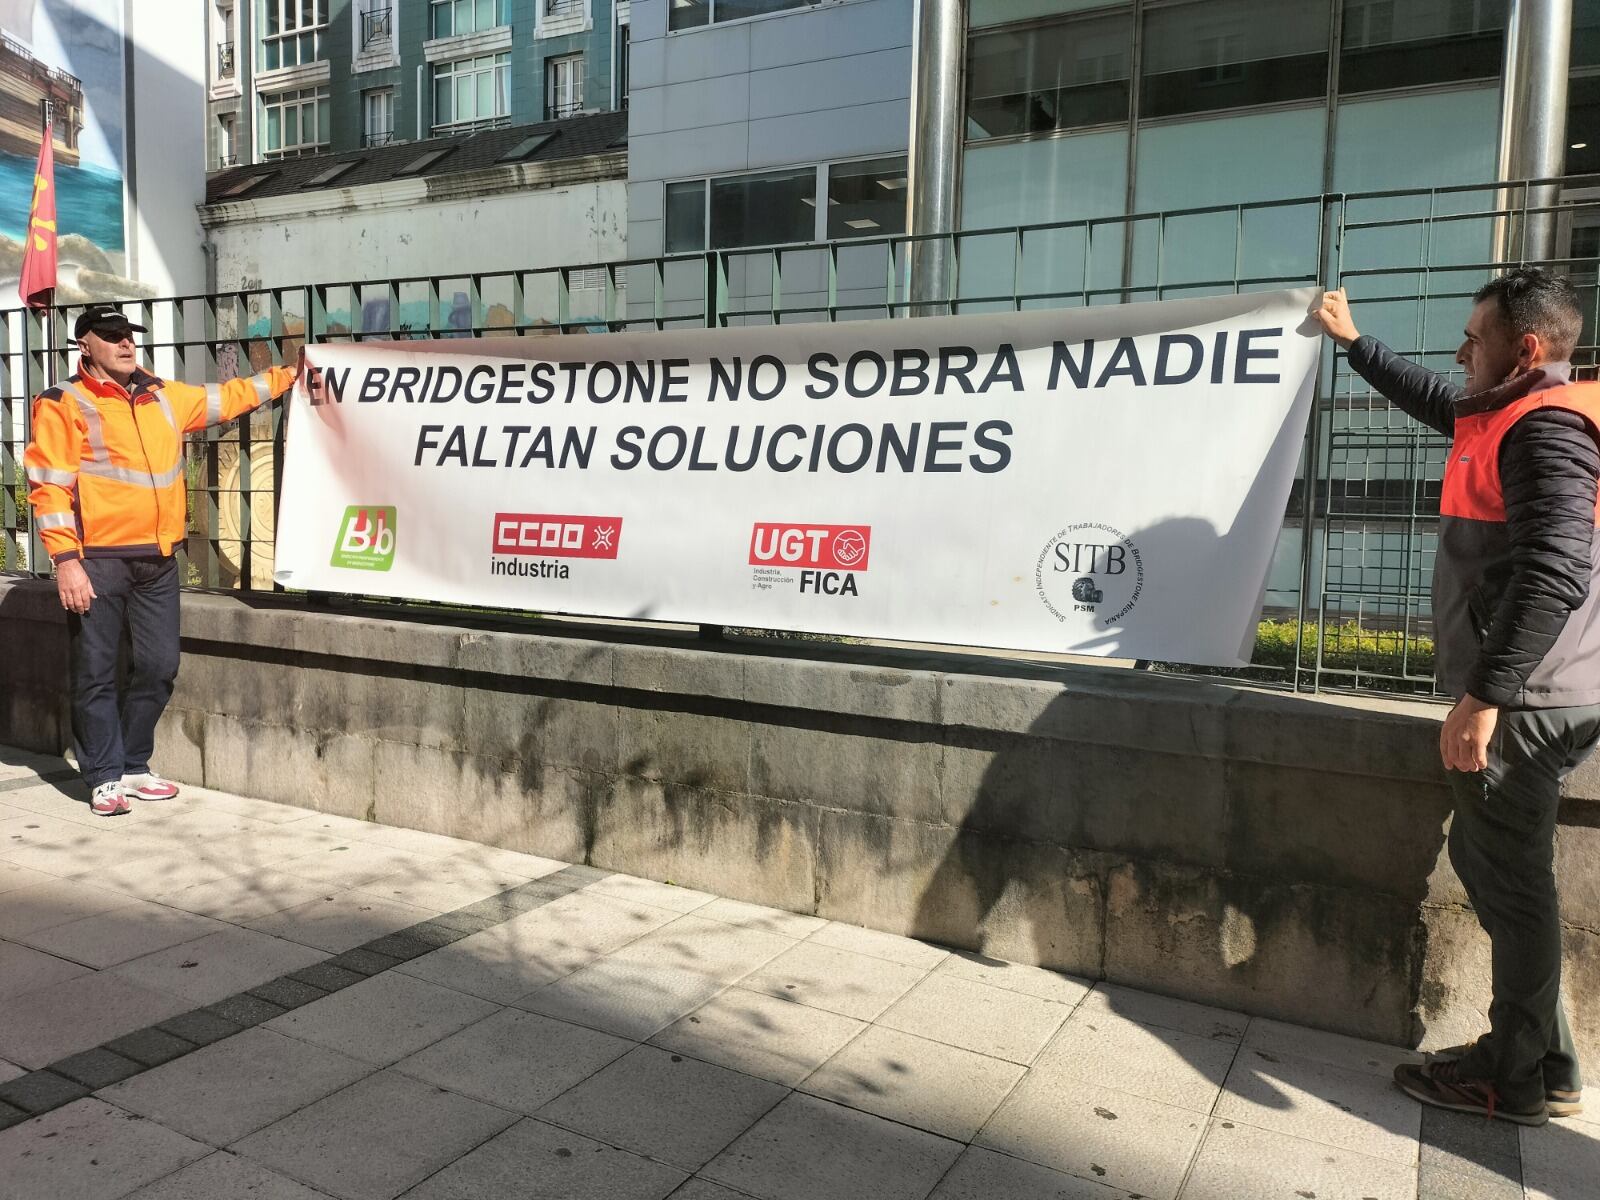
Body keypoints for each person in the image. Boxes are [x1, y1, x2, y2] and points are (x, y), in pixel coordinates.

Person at [1314, 269, 1600, 1126]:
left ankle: (1510, 1075)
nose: (1460, 351)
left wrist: (1484, 698)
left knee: (1509, 882)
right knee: (1500, 868)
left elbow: (1554, 570)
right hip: (1548, 688)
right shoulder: (1513, 414)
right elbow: (1440, 397)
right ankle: (1546, 1064)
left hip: (1528, 700)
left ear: (1527, 349)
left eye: (1474, 339)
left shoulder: (1546, 431)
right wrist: (1356, 343)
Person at [24, 304, 298, 817]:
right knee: (96, 671)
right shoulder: (64, 402)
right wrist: (66, 561)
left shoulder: (163, 395)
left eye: (129, 335)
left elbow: (231, 397)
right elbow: (49, 488)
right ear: (85, 345)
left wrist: (291, 374)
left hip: (157, 558)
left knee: (158, 666)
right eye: (111, 336)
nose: (126, 344)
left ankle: (132, 762)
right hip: (97, 558)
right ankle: (105, 776)